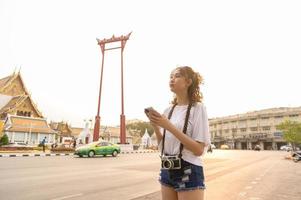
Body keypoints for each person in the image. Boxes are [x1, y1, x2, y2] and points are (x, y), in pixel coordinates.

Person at [146, 66, 210, 200]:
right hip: (166, 169)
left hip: (188, 168)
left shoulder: (198, 108)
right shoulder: (168, 110)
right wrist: (156, 127)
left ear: (188, 82)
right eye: (171, 76)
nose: (172, 79)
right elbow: (162, 146)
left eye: (177, 76)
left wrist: (168, 126)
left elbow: (198, 149)